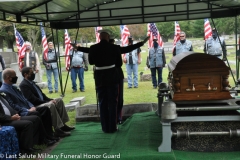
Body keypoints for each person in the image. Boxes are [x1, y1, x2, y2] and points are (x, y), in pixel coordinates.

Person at [71, 37, 149, 124]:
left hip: (103, 78)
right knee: (116, 100)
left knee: (107, 101)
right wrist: (141, 43)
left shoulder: (99, 48)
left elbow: (88, 51)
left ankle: (109, 122)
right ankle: (115, 120)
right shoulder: (114, 49)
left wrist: (77, 48)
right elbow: (127, 50)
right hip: (115, 77)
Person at [0, 68, 57, 139]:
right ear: (8, 77)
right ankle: (44, 137)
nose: (16, 77)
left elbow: (25, 99)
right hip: (21, 111)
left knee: (45, 109)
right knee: (36, 114)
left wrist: (31, 106)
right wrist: (27, 110)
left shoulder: (14, 87)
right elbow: (13, 105)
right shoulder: (4, 90)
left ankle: (50, 134)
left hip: (28, 108)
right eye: (14, 76)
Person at [19, 67, 74, 137]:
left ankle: (63, 124)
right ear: (25, 74)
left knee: (59, 101)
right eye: (31, 73)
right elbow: (32, 99)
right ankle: (57, 129)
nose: (33, 74)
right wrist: (47, 102)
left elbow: (42, 95)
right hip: (36, 105)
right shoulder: (23, 85)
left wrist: (50, 99)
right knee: (51, 105)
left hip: (42, 102)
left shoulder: (32, 83)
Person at [88, 29, 122, 133]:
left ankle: (105, 128)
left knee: (102, 102)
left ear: (99, 37)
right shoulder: (115, 48)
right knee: (112, 102)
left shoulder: (93, 48)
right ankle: (112, 127)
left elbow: (90, 62)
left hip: (100, 78)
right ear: (108, 37)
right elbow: (119, 63)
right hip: (112, 77)